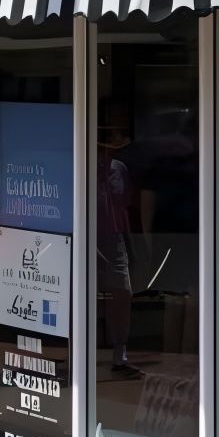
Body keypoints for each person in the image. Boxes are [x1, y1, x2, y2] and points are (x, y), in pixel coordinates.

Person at [96, 110, 140, 379]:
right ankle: (77, 352)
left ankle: (119, 352)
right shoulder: (79, 168)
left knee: (121, 293)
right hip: (84, 237)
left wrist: (131, 245)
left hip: (113, 238)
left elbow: (123, 207)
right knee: (82, 295)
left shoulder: (118, 169)